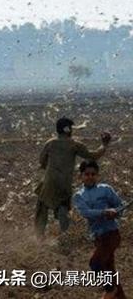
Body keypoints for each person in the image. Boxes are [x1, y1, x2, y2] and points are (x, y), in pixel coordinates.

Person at [35, 117, 111, 239]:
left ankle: (39, 237)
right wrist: (104, 145)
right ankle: (65, 236)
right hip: (64, 183)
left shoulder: (50, 143)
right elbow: (93, 156)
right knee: (63, 208)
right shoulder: (75, 145)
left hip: (49, 182)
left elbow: (42, 161)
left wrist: (50, 167)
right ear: (69, 130)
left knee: (42, 207)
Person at [73, 161, 126, 298]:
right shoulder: (79, 196)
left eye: (93, 174)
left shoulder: (106, 189)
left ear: (97, 175)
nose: (90, 176)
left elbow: (120, 205)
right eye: (87, 174)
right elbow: (86, 212)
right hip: (98, 237)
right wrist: (104, 212)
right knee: (109, 270)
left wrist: (117, 211)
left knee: (95, 263)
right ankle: (118, 295)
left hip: (111, 234)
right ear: (81, 176)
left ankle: (109, 291)